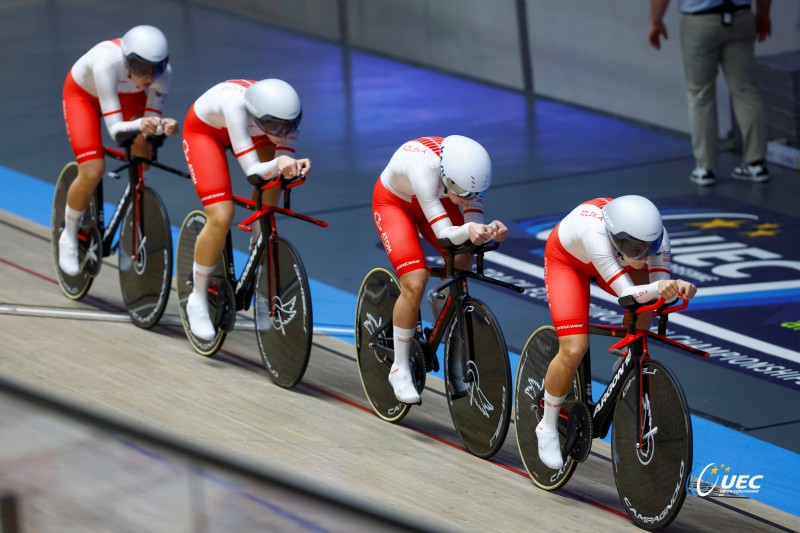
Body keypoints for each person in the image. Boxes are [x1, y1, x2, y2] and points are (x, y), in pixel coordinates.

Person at [536, 195, 697, 470]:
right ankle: (547, 424)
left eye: (649, 248)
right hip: (568, 262)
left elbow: (659, 291)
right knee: (574, 348)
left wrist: (677, 288)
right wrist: (661, 288)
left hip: (611, 261)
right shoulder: (594, 233)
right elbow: (628, 294)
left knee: (648, 303)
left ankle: (625, 361)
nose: (645, 255)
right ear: (616, 238)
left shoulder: (658, 235)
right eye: (636, 249)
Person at [372, 135, 509, 404]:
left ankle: (443, 303)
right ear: (449, 180)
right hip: (396, 204)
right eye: (466, 196)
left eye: (477, 195)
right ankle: (399, 368)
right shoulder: (422, 170)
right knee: (415, 279)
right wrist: (469, 229)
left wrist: (489, 232)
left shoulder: (468, 178)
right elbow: (445, 234)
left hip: (436, 198)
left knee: (465, 255)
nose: (472, 199)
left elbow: (472, 227)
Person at [182, 78, 309, 340]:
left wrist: (293, 165)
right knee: (222, 214)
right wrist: (281, 161)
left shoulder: (286, 117)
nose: (284, 132)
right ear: (257, 115)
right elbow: (252, 171)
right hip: (205, 132)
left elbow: (279, 163)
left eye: (289, 126)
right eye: (276, 125)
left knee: (273, 186)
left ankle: (257, 243)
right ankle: (197, 297)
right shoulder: (235, 106)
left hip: (255, 131)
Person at [59, 25, 179, 275]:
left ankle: (130, 200)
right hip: (83, 96)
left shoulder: (163, 74)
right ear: (126, 61)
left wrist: (163, 126)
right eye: (141, 69)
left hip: (125, 95)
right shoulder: (106, 63)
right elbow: (115, 130)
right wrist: (142, 124)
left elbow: (150, 122)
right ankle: (68, 235)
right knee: (92, 169)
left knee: (143, 157)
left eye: (154, 69)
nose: (148, 77)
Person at [649, 0, 773, 186]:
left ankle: (705, 168)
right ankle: (756, 163)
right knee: (746, 90)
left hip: (699, 22)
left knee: (700, 95)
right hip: (740, 16)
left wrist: (655, 20)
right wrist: (763, 14)